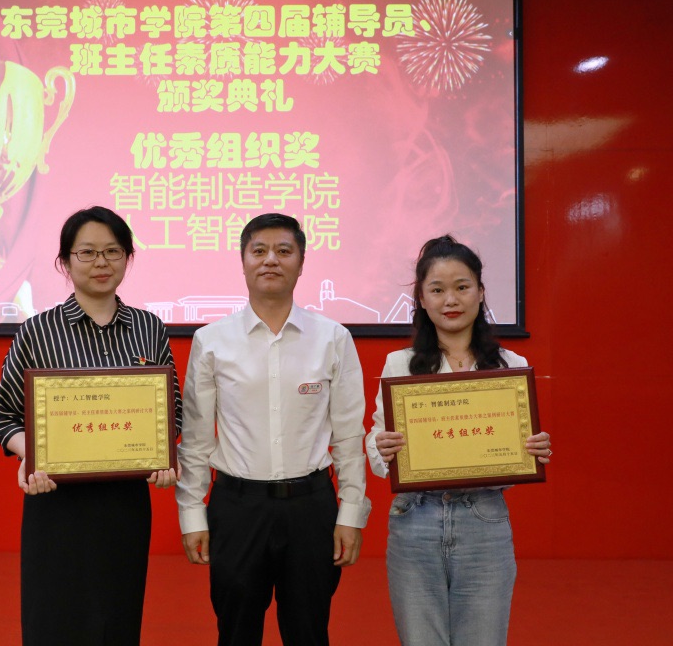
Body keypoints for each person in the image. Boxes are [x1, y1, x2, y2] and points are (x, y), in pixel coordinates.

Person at [0, 205, 181, 646]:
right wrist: (31, 455)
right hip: (57, 502)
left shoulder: (149, 329)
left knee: (118, 618)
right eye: (87, 252)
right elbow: (3, 418)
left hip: (124, 502)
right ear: (65, 261)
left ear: (128, 258)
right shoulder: (37, 331)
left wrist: (164, 453)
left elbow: (171, 410)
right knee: (55, 620)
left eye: (113, 251)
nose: (101, 263)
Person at [176, 212, 371, 646]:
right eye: (259, 251)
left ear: (301, 263)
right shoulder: (212, 340)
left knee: (309, 633)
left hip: (311, 508)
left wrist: (351, 512)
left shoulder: (333, 338)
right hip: (237, 509)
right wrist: (191, 514)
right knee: (235, 633)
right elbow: (196, 439)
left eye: (284, 251)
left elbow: (348, 436)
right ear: (243, 261)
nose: (271, 260)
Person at [366, 235, 552, 646]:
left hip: (483, 520)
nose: (450, 300)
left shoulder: (510, 366)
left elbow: (517, 451)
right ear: (422, 299)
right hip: (414, 519)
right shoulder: (399, 365)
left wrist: (532, 449)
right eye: (437, 290)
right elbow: (376, 446)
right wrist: (381, 448)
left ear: (481, 292)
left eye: (462, 287)